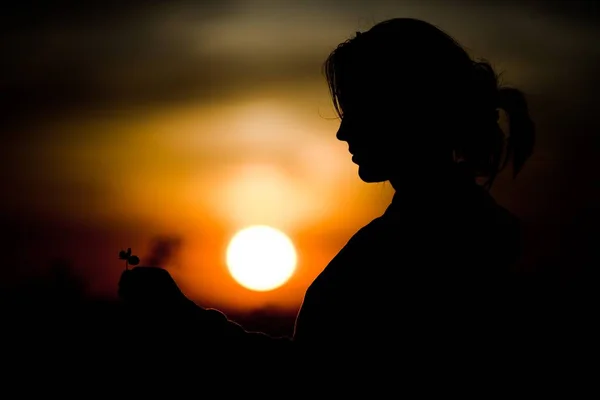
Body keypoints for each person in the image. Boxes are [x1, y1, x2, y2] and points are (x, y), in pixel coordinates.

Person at [118, 18, 535, 377]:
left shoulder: (424, 244)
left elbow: (315, 379)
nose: (342, 132)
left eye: (356, 111)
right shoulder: (469, 229)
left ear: (403, 109)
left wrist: (185, 326)